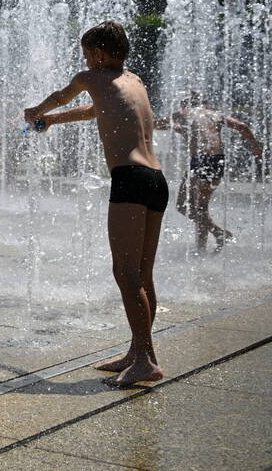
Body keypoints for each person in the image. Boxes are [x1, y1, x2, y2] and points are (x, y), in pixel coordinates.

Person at [24, 21, 166, 387]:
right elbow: (93, 111)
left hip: (130, 180)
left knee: (125, 273)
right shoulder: (133, 81)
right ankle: (137, 353)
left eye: (87, 54)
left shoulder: (90, 77)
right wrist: (52, 122)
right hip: (156, 180)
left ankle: (146, 358)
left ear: (98, 54)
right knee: (142, 273)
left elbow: (60, 94)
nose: (85, 60)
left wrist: (37, 110)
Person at [156, 94, 263, 254]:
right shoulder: (215, 115)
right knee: (199, 208)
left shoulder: (184, 113)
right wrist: (255, 148)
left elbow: (156, 124)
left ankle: (213, 238)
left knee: (184, 206)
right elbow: (243, 126)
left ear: (186, 105)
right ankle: (208, 242)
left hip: (201, 162)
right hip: (216, 162)